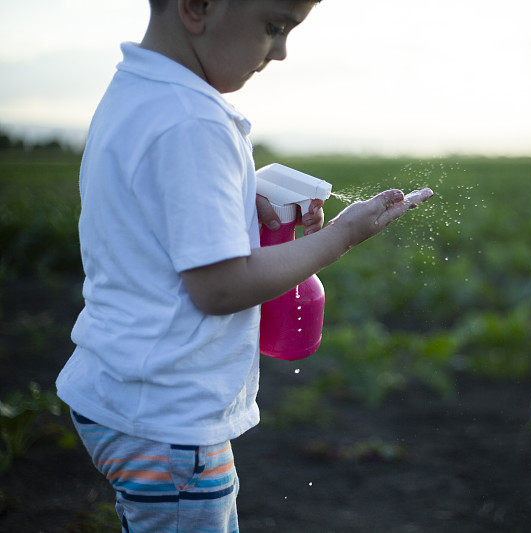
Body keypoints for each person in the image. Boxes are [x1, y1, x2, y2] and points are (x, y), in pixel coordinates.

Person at [54, 0, 434, 531]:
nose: (280, 52)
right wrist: (344, 234)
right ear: (198, 7)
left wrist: (239, 206)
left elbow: (155, 224)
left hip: (123, 390)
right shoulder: (194, 121)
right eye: (274, 27)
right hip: (171, 418)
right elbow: (220, 286)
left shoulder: (137, 94)